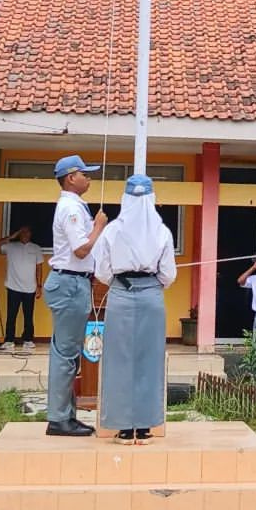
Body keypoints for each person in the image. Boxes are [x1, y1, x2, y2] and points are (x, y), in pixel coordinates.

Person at [94, 174, 177, 442]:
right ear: (151, 199)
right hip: (152, 293)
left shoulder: (112, 230)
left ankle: (122, 426)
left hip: (120, 292)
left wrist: (121, 284)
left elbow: (102, 272)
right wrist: (150, 287)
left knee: (119, 359)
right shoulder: (162, 231)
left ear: (126, 199)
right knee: (149, 360)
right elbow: (168, 274)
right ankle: (145, 425)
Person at [42, 155, 107, 437]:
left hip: (74, 283)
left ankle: (66, 415)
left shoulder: (75, 206)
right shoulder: (70, 208)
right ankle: (58, 418)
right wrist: (99, 226)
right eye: (85, 174)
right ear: (71, 178)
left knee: (67, 354)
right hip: (70, 283)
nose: (89, 178)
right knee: (66, 355)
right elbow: (80, 249)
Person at [0, 225, 45, 351]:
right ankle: (9, 339)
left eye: (27, 232)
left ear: (31, 234)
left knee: (28, 315)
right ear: (19, 233)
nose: (25, 234)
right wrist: (11, 237)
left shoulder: (36, 248)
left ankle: (28, 339)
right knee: (11, 314)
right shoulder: (11, 246)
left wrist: (39, 286)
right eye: (23, 232)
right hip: (13, 286)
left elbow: (39, 268)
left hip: (30, 287)